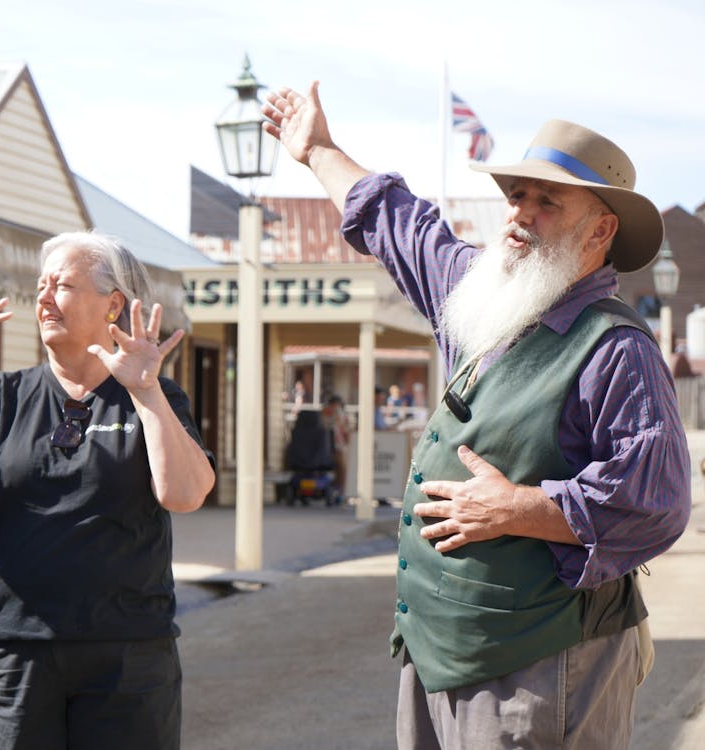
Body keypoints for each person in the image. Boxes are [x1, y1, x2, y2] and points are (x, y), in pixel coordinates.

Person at [264, 82, 691, 749]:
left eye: (548, 201)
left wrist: (519, 508)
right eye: (517, 195)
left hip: (542, 665)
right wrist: (318, 150)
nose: (520, 213)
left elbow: (655, 501)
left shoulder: (619, 351)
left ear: (601, 229)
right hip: (440, 655)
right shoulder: (488, 298)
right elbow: (401, 225)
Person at [0, 231, 215, 750]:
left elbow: (184, 494)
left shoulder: (151, 394)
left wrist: (146, 392)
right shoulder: (2, 397)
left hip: (128, 653)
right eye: (41, 285)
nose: (43, 298)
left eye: (62, 285)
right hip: (19, 651)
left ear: (113, 303)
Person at [321, 395, 350, 504]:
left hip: (338, 447)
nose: (335, 408)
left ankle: (340, 492)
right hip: (324, 448)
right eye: (333, 405)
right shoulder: (324, 413)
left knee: (342, 468)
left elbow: (346, 433)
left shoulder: (342, 416)